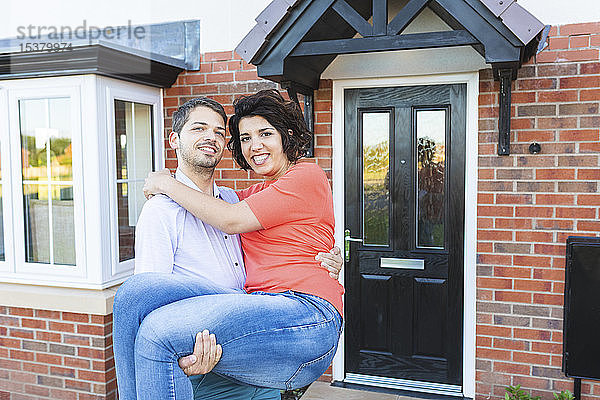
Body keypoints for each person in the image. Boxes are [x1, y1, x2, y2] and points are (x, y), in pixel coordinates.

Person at [113, 90, 344, 400]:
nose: (254, 145)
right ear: (175, 139)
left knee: (157, 335)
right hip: (254, 312)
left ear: (287, 135)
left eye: (265, 133)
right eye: (245, 138)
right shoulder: (245, 196)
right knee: (133, 293)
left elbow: (230, 219)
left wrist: (165, 182)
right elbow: (228, 211)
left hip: (303, 315)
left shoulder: (305, 175)